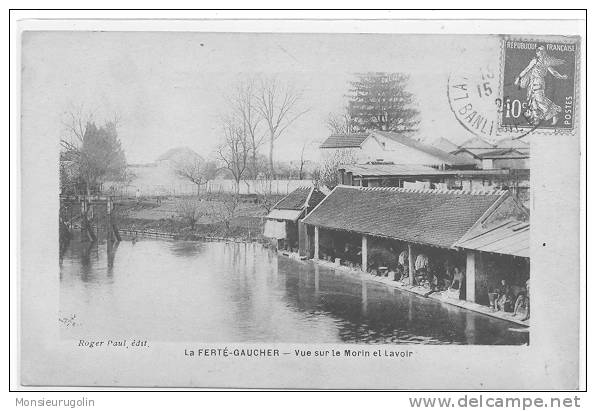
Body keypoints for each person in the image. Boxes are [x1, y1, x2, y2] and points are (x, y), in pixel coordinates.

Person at [514, 45, 569, 126]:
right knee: (534, 102)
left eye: (540, 51)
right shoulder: (538, 61)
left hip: (538, 82)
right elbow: (527, 69)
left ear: (543, 52)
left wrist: (561, 76)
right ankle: (536, 120)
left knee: (539, 101)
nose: (538, 52)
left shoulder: (543, 61)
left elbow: (553, 72)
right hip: (534, 83)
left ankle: (554, 113)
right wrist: (519, 78)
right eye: (538, 50)